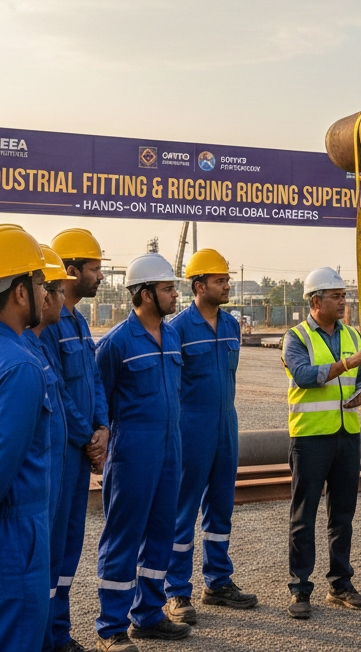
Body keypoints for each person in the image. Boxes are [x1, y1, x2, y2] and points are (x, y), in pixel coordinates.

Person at [94, 253, 189, 651]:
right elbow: (100, 398)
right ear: (145, 294)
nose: (174, 295)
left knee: (161, 534)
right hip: (133, 450)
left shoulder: (171, 336)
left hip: (171, 448)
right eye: (168, 288)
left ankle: (147, 614)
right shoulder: (117, 342)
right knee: (123, 537)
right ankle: (111, 627)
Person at [164, 248, 257, 624]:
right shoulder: (177, 329)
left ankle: (218, 582)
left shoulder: (233, 326)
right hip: (192, 426)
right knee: (184, 509)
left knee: (221, 506)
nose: (227, 285)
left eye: (227, 279)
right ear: (198, 285)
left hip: (226, 425)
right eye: (220, 280)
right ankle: (177, 592)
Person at [281, 267, 361, 619]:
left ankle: (340, 584)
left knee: (342, 515)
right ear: (315, 300)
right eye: (336, 296)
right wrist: (348, 363)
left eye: (344, 296)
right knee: (303, 516)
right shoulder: (296, 337)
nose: (343, 301)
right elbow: (304, 376)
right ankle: (300, 589)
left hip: (346, 435)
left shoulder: (351, 335)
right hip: (309, 437)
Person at [41, 227, 110, 652]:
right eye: (94, 268)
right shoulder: (47, 323)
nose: (100, 276)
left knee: (69, 547)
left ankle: (60, 632)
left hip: (83, 449)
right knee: (51, 548)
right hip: (64, 452)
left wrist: (103, 426)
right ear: (70, 270)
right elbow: (58, 391)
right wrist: (89, 434)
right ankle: (46, 637)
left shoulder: (81, 320)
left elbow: (94, 379)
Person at [0, 224, 52, 652]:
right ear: (18, 292)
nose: (45, 293)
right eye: (38, 282)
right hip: (12, 540)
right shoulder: (20, 367)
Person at [22, 245, 71, 652]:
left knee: (53, 566)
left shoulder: (37, 348)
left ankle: (52, 638)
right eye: (45, 287)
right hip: (29, 496)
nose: (52, 296)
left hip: (55, 472)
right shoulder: (22, 358)